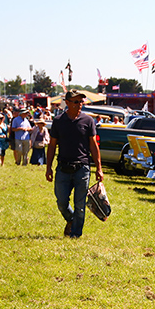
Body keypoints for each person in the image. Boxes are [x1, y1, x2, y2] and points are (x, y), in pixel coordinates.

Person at [46, 89, 104, 238]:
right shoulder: (58, 121)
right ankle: (72, 220)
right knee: (61, 202)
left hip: (82, 168)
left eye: (81, 101)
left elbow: (93, 145)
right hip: (63, 167)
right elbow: (52, 145)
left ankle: (75, 234)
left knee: (80, 205)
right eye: (76, 101)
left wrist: (99, 168)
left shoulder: (88, 121)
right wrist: (48, 168)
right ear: (67, 102)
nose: (80, 104)